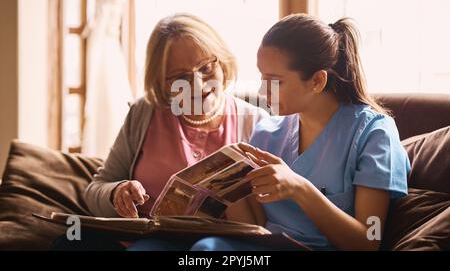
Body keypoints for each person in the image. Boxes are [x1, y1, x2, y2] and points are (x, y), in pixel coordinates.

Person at [127, 13, 411, 251]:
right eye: (262, 77)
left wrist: (300, 188)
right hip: (264, 251)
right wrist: (226, 185)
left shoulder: (374, 135)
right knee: (206, 251)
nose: (263, 91)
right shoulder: (267, 133)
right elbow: (255, 225)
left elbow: (369, 241)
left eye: (275, 81)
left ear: (317, 81)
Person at [51, 13, 268, 250]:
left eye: (206, 68)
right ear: (162, 82)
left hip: (214, 245)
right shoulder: (144, 112)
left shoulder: (256, 122)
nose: (197, 85)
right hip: (139, 239)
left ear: (223, 62)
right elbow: (96, 189)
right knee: (69, 243)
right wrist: (116, 192)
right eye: (180, 77)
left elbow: (273, 218)